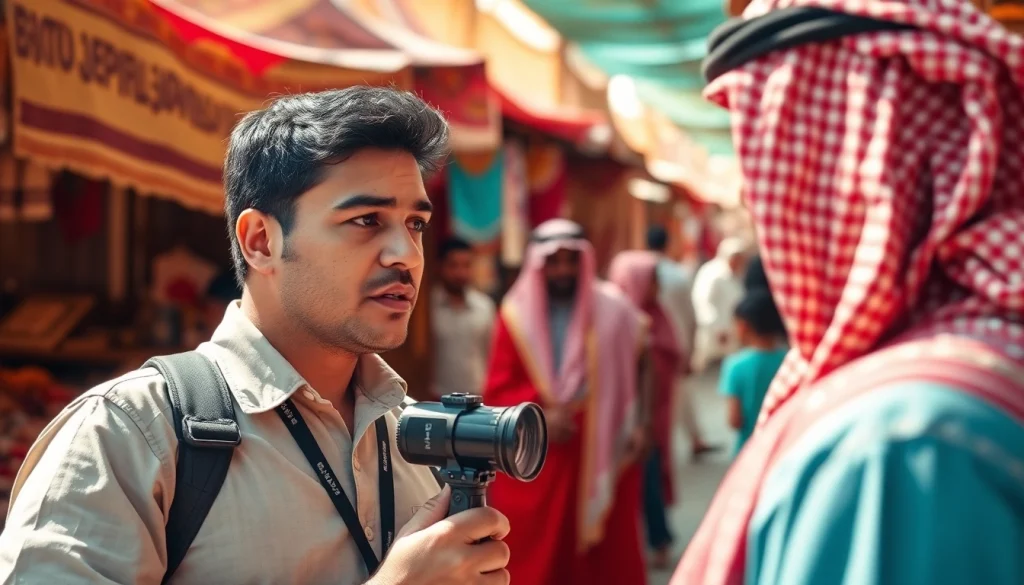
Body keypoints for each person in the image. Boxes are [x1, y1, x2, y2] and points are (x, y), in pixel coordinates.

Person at [0, 87, 511, 585]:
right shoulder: (132, 434)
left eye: (416, 223)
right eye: (366, 220)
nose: (406, 254)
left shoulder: (412, 440)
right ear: (261, 241)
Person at [673, 1, 1024, 584]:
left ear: (850, 172)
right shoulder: (981, 365)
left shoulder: (902, 445)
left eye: (775, 158)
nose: (752, 197)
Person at [483, 219, 649, 585]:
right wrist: (540, 414)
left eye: (570, 260)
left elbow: (638, 362)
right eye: (553, 261)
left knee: (601, 553)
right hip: (538, 447)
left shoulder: (614, 309)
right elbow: (498, 388)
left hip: (600, 442)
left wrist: (639, 422)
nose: (563, 270)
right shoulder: (515, 314)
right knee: (533, 551)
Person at [607, 249, 683, 569]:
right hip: (613, 418)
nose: (656, 288)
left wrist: (646, 421)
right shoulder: (613, 316)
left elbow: (661, 361)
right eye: (650, 280)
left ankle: (658, 540)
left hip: (645, 416)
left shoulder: (653, 314)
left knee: (648, 479)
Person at [646, 225, 718, 459]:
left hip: (651, 345)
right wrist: (692, 348)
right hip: (675, 344)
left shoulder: (642, 272)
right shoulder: (676, 275)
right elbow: (690, 315)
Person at [718, 289, 787, 456]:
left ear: (742, 326)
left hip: (748, 450)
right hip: (783, 445)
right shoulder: (790, 360)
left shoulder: (735, 365)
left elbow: (734, 420)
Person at [431, 237, 496, 397]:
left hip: (478, 399)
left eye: (466, 265)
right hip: (436, 401)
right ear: (439, 267)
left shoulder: (485, 307)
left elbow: (492, 356)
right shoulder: (427, 310)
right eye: (453, 266)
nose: (460, 273)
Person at [689, 237, 748, 372]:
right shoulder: (712, 273)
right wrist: (718, 328)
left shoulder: (736, 275)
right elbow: (702, 301)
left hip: (732, 337)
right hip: (714, 335)